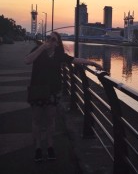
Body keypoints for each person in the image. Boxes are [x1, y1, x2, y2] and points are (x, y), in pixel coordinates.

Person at [24, 32, 102, 162]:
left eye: (53, 39)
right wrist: (42, 47)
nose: (50, 41)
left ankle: (50, 147)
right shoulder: (38, 50)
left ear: (57, 43)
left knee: (50, 121)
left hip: (53, 91)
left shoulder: (59, 55)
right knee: (36, 120)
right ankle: (38, 148)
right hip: (37, 90)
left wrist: (92, 63)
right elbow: (27, 61)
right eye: (48, 38)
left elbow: (74, 60)